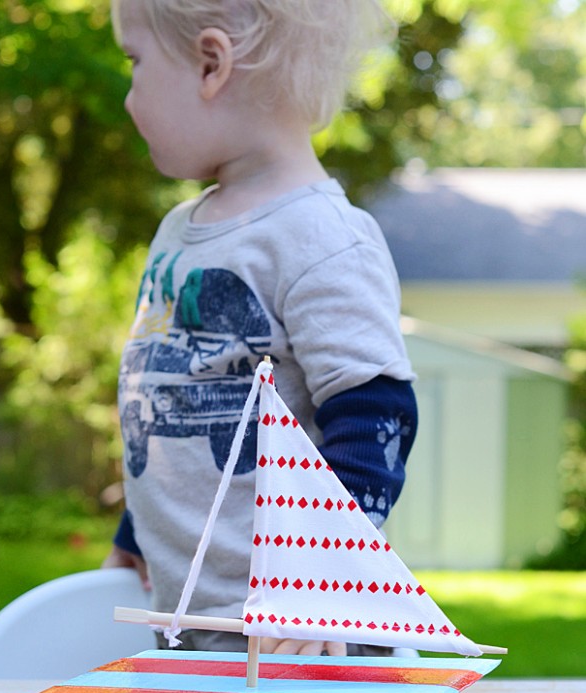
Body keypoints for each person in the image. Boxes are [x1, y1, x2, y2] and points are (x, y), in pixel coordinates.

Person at [104, 0, 418, 657]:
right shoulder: (178, 233)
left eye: (135, 62)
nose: (128, 96)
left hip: (293, 638)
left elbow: (377, 416)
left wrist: (319, 582)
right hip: (192, 622)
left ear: (211, 64)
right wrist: (138, 532)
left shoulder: (321, 239)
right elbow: (173, 409)